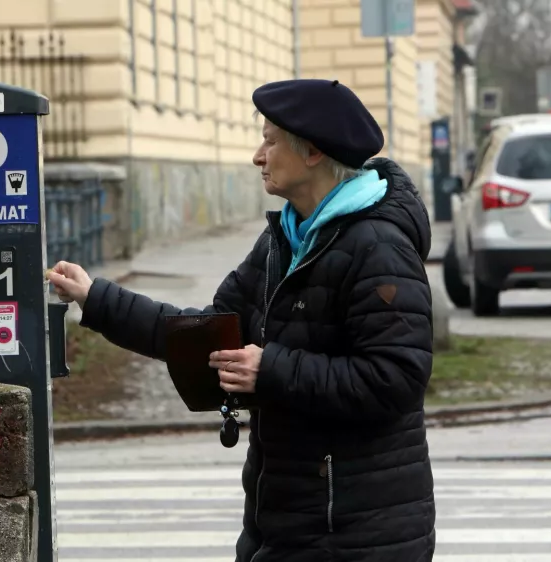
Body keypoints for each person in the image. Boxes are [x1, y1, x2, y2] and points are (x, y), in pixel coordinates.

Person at [48, 78, 436, 562]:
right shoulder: (285, 240)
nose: (258, 155)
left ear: (312, 152)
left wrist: (270, 369)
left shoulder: (378, 247)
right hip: (282, 521)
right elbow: (207, 334)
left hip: (357, 534)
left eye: (270, 141)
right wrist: (97, 299)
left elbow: (396, 379)